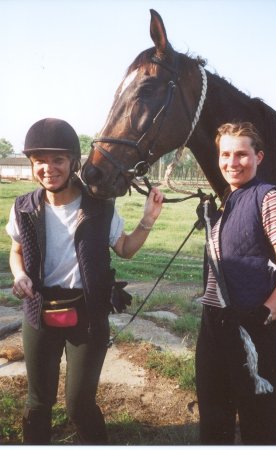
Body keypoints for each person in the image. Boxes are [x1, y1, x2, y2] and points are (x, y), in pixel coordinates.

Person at [5, 117, 164, 445]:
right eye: (39, 162)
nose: (48, 168)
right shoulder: (24, 207)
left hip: (87, 316)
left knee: (79, 405)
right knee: (38, 403)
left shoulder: (99, 208)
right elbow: (16, 251)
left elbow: (125, 249)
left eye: (58, 160)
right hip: (38, 313)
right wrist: (20, 275)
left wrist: (147, 220)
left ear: (74, 162)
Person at [195, 121, 276, 445]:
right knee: (214, 423)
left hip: (253, 332)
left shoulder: (269, 200)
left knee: (259, 429)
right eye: (225, 154)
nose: (231, 162)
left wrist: (263, 314)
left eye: (241, 154)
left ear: (259, 156)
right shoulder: (227, 200)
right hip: (212, 329)